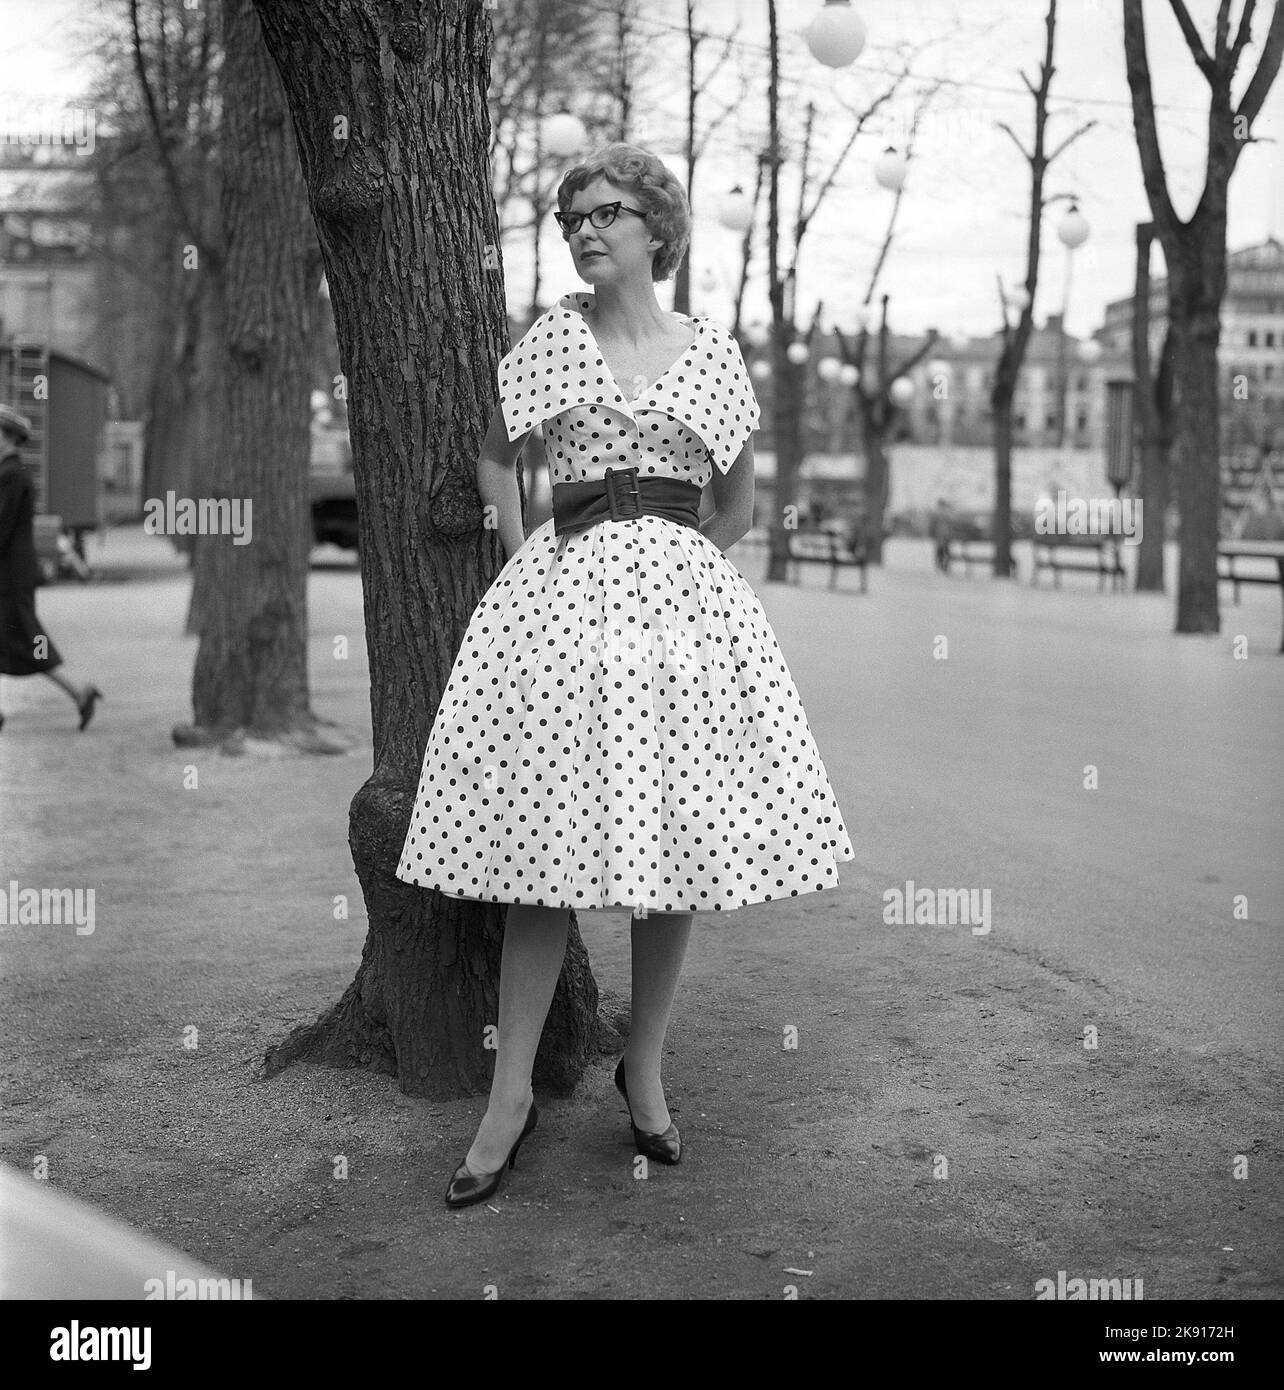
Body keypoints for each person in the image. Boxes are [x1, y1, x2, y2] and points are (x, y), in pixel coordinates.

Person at [394, 144, 856, 1209]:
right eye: (572, 220)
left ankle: (642, 1065)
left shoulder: (716, 357)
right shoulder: (551, 341)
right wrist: (522, 548)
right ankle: (507, 1096)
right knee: (545, 851)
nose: (586, 231)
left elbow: (736, 504)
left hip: (680, 624)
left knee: (676, 836)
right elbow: (495, 455)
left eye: (607, 213)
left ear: (659, 227)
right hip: (556, 614)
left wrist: (671, 573)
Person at [0, 404, 102, 732]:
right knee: (25, 642)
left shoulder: (12, 475)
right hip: (11, 575)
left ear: (9, 438)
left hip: (10, 578)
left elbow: (1, 527)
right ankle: (78, 693)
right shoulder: (9, 473)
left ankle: (79, 692)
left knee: (28, 642)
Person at [929, 497, 953, 572]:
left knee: (940, 551)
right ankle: (944, 566)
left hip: (940, 535)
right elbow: (951, 525)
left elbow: (932, 525)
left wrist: (932, 533)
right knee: (945, 551)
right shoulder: (948, 513)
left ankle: (940, 565)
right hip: (945, 535)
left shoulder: (937, 513)